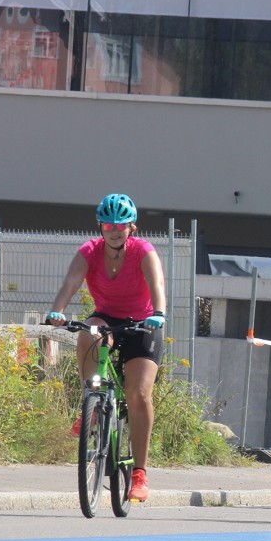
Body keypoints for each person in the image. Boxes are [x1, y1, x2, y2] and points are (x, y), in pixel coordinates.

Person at [46, 193, 166, 503]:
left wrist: (159, 314)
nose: (114, 230)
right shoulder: (89, 251)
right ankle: (94, 400)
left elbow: (158, 287)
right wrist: (57, 311)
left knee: (139, 395)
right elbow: (70, 283)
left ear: (131, 228)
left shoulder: (144, 252)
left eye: (121, 225)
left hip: (142, 324)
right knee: (88, 333)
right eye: (109, 225)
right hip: (108, 317)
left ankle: (139, 473)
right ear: (100, 227)